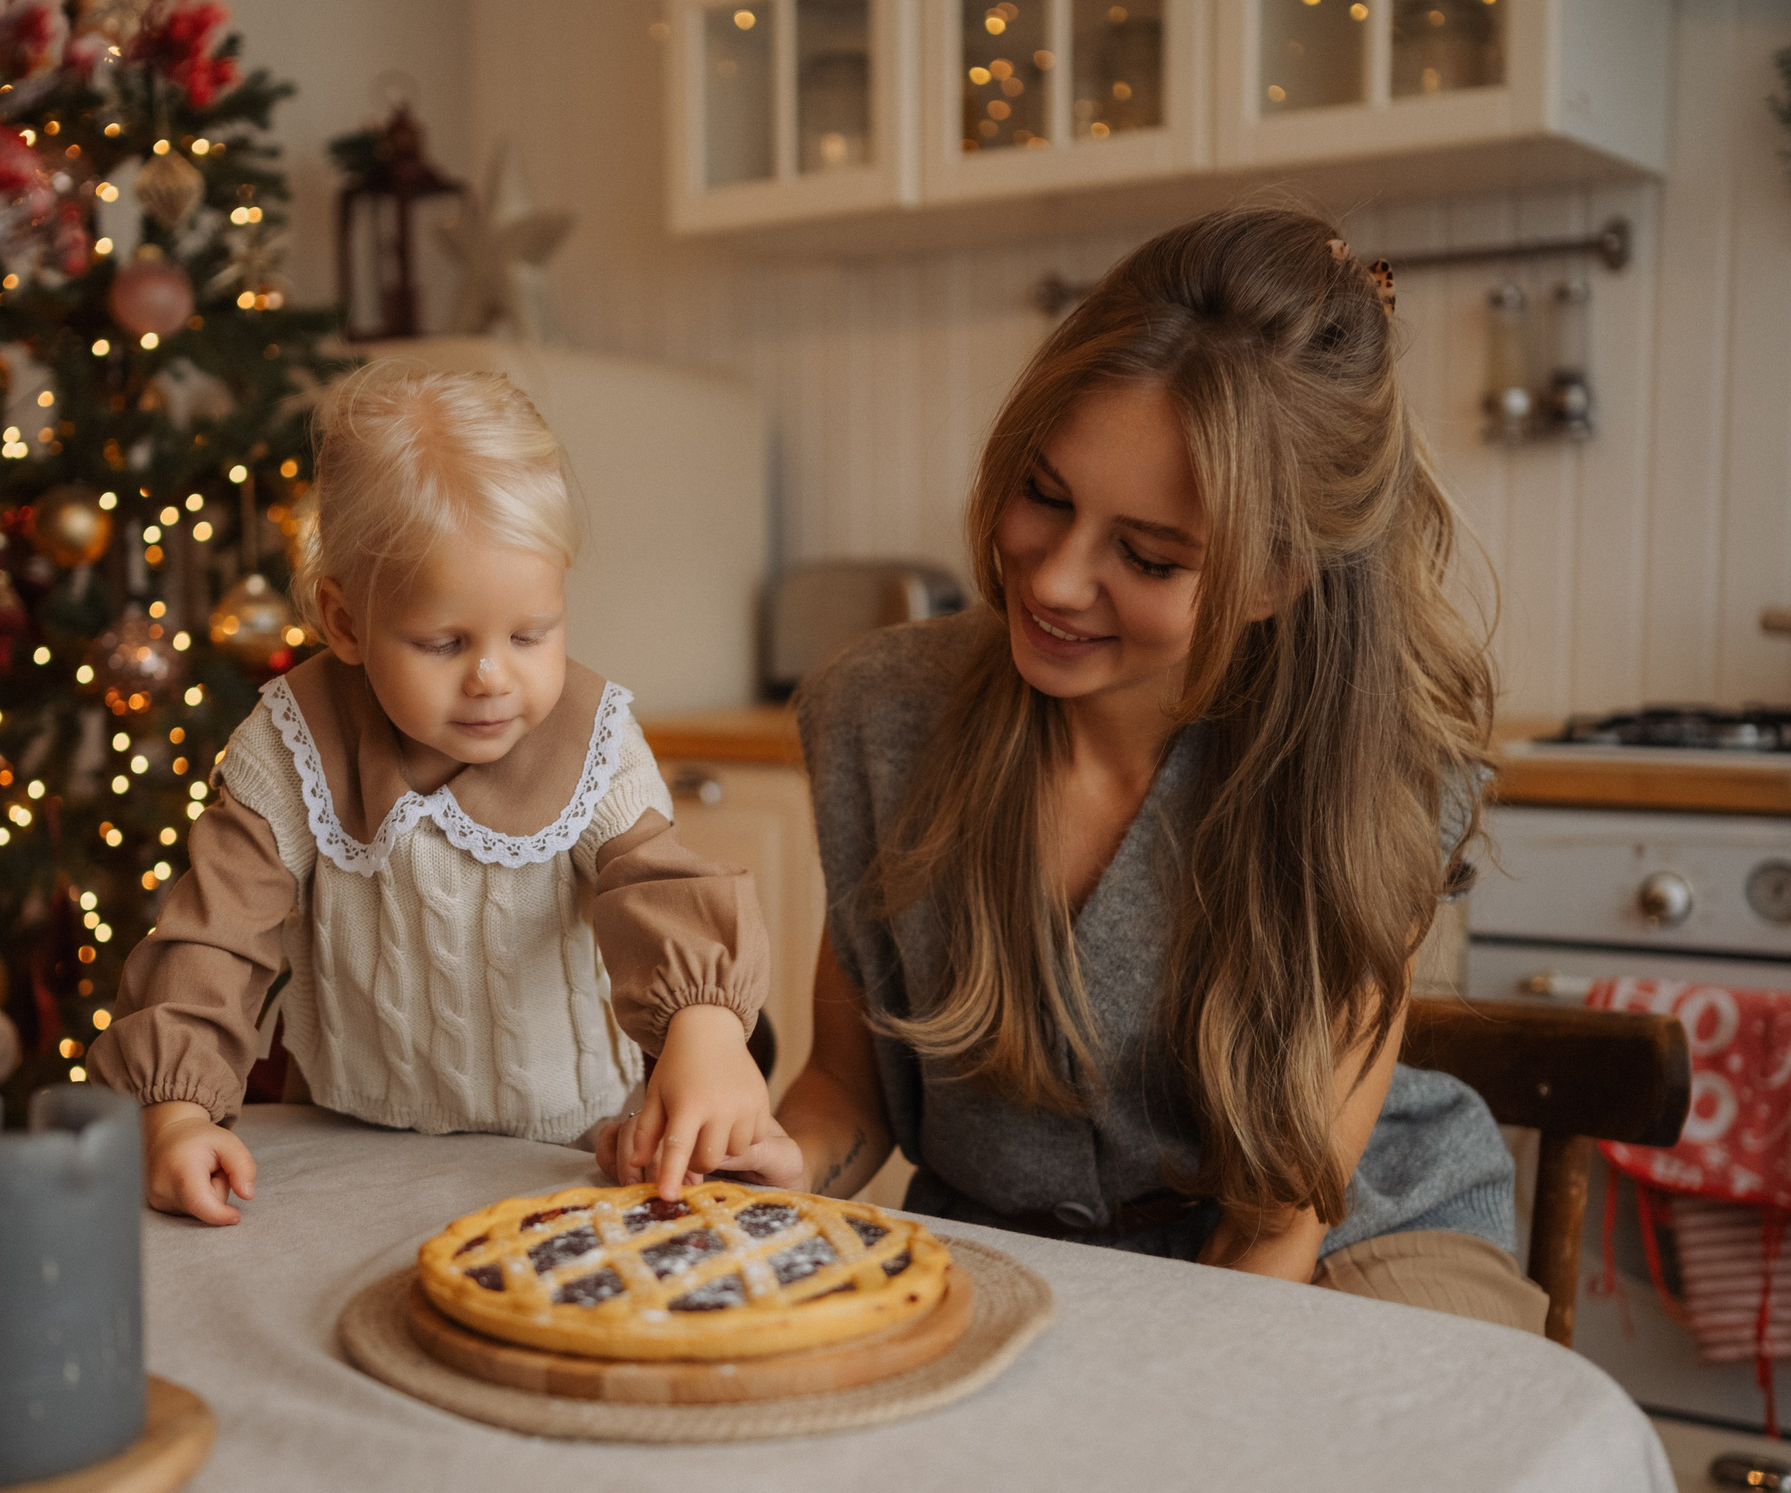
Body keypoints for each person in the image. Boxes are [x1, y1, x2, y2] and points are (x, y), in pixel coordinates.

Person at [607, 206, 1545, 1332]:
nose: (1051, 580)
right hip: (1005, 1249)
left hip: (1349, 1232)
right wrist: (773, 1162)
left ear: (1278, 577)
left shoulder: (1375, 773)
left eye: (1147, 554)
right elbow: (848, 1092)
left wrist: (1150, 1402)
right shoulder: (878, 715)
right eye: (1044, 496)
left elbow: (1282, 1217)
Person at [93, 363, 795, 1224]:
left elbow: (661, 890)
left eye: (532, 632)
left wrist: (708, 1028)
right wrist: (177, 1112)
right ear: (345, 621)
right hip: (341, 1144)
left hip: (568, 1155)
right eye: (443, 642)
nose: (494, 677)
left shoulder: (593, 737)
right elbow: (212, 939)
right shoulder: (290, 744)